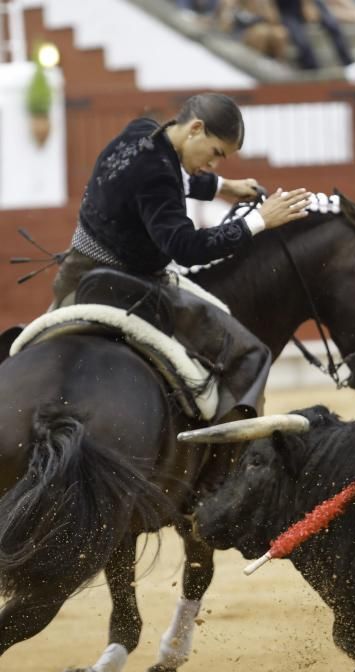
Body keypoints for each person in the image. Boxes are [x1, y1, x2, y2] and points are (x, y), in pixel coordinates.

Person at [52, 92, 311, 421]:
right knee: (250, 353)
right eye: (216, 153)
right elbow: (186, 247)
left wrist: (219, 186)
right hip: (128, 285)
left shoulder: (143, 131)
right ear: (196, 128)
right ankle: (225, 447)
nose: (214, 164)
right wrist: (258, 221)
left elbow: (161, 176)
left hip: (74, 277)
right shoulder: (158, 174)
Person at [215, 0, 288, 61]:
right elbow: (224, 24)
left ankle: (278, 66)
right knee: (261, 32)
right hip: (239, 34)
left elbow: (275, 21)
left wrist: (264, 6)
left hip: (261, 33)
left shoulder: (264, 3)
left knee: (280, 33)